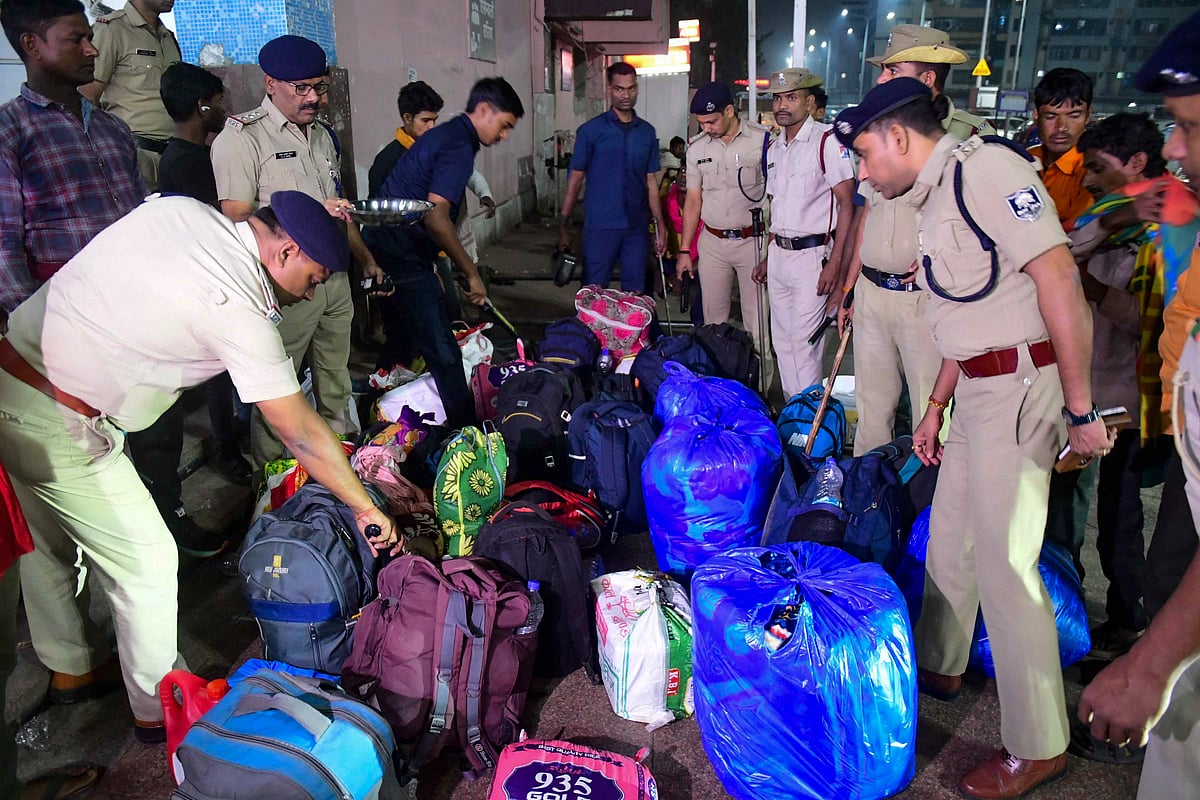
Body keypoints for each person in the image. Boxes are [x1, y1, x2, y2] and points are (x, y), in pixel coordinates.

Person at [0, 190, 400, 743]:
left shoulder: (181, 212)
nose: (315, 290)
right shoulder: (239, 306)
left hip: (11, 376)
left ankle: (73, 668)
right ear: (284, 251)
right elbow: (301, 431)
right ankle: (158, 708)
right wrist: (362, 506)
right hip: (63, 421)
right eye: (316, 274)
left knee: (47, 546)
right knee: (147, 560)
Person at [835, 78, 1114, 799]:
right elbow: (968, 306)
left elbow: (1059, 281)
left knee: (1004, 562)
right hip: (978, 389)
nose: (863, 172)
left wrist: (1081, 413)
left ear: (898, 137)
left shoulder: (989, 172)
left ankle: (1039, 743)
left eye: (866, 153)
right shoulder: (931, 195)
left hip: (1024, 386)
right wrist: (933, 407)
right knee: (950, 534)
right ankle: (942, 665)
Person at [1080, 17, 1200, 796]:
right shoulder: (1159, 207)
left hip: (1144, 401)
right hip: (1160, 403)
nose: (1180, 149)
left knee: (1134, 527)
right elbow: (1076, 236)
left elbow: (1143, 316)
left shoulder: (1172, 213)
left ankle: (1136, 635)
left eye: (1187, 128)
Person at [211, 34, 385, 474]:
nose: (314, 98)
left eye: (320, 87)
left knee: (335, 376)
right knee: (277, 387)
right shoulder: (242, 138)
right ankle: (274, 481)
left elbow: (338, 208)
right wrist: (303, 215)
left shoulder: (323, 136)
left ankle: (341, 465)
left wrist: (364, 258)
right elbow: (233, 215)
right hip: (283, 287)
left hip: (333, 279)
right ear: (271, 83)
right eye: (301, 88)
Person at [839, 24, 995, 455]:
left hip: (925, 300)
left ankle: (933, 512)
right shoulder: (878, 130)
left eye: (893, 71)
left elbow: (983, 225)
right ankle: (869, 502)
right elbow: (867, 211)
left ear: (927, 78)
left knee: (936, 412)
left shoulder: (966, 137)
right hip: (873, 291)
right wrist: (851, 287)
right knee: (872, 412)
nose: (881, 79)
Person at [122, 62, 250, 558]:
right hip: (195, 295)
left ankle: (228, 442)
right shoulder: (185, 163)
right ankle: (225, 448)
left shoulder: (198, 155)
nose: (225, 107)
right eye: (219, 100)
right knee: (214, 378)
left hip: (201, 292)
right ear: (203, 106)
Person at [363, 77, 523, 428]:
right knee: (443, 351)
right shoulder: (456, 145)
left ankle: (375, 407)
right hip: (397, 252)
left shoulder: (449, 138)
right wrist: (470, 272)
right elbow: (436, 216)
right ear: (483, 111)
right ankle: (470, 433)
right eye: (504, 125)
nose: (504, 135)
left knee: (405, 338)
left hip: (404, 251)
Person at [1067, 114, 1167, 663]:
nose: (1088, 179)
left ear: (1135, 164)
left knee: (1121, 513)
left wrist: (1091, 288)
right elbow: (1066, 251)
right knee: (1084, 506)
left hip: (1130, 396)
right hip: (1091, 383)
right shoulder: (1111, 218)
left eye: (1098, 168)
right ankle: (1076, 600)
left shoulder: (1160, 229)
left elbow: (1154, 320)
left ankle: (1130, 619)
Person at [0, 0, 144, 327]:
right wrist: (31, 325)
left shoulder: (114, 129)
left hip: (137, 302)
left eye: (89, 38)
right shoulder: (10, 132)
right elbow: (3, 244)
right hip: (63, 315)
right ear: (32, 45)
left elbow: (142, 219)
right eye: (75, 40)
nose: (92, 50)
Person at [758, 67, 854, 400]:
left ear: (810, 102)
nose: (782, 105)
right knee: (782, 344)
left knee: (806, 346)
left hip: (814, 257)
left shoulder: (827, 140)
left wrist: (836, 265)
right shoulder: (774, 147)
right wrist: (768, 256)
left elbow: (847, 205)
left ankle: (810, 429)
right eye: (778, 98)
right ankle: (792, 420)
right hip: (780, 256)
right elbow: (779, 208)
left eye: (792, 98)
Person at [675, 81, 773, 391]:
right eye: (702, 123)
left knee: (757, 326)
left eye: (712, 121)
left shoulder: (762, 141)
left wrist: (772, 248)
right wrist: (684, 250)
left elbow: (778, 195)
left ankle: (759, 394)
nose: (707, 128)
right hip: (713, 243)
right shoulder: (698, 148)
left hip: (753, 243)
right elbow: (693, 200)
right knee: (712, 325)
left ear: (730, 111)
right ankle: (716, 390)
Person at [558, 61, 666, 292]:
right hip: (600, 227)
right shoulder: (590, 132)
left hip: (636, 228)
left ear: (637, 88)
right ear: (609, 89)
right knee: (593, 294)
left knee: (636, 295)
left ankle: (633, 330)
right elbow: (575, 180)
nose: (626, 95)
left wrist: (660, 226)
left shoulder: (647, 133)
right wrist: (563, 224)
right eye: (619, 88)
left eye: (631, 88)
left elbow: (651, 182)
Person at [81, 0, 180, 191]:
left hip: (172, 155)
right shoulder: (112, 30)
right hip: (135, 153)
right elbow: (88, 95)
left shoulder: (167, 36)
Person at [1028, 68, 1094, 228]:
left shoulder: (1093, 170)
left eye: (1074, 115)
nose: (1061, 127)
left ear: (1088, 116)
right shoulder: (1022, 159)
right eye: (1051, 116)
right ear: (1036, 115)